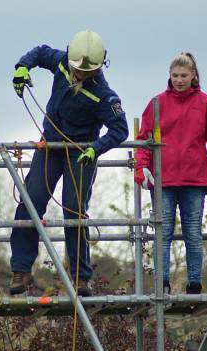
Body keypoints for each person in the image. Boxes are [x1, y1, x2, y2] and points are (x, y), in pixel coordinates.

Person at [9, 30, 128, 297]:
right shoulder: (62, 61)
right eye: (77, 70)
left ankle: (80, 277)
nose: (80, 75)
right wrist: (22, 68)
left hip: (80, 152)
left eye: (86, 72)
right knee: (31, 200)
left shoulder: (105, 96)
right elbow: (39, 52)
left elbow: (119, 130)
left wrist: (95, 149)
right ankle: (21, 268)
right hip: (50, 146)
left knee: (74, 211)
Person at [134, 52, 207, 295]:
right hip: (163, 179)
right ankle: (162, 284)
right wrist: (141, 168)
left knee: (192, 232)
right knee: (163, 233)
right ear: (169, 76)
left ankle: (194, 284)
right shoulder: (156, 103)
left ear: (194, 76)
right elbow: (143, 139)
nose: (179, 80)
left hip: (195, 179)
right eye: (175, 75)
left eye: (184, 75)